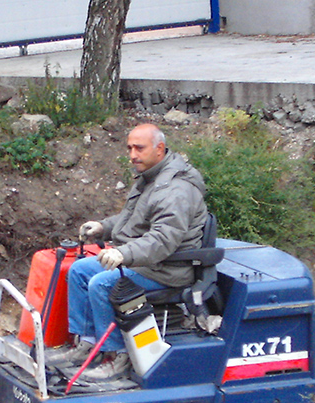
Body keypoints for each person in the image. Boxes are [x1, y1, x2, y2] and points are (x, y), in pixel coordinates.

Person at [57, 123, 208, 380]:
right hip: (146, 261)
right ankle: (88, 343)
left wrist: (124, 254)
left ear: (159, 149)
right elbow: (133, 220)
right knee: (79, 271)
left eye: (139, 148)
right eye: (129, 148)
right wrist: (104, 227)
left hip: (167, 268)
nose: (132, 155)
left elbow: (163, 239)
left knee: (102, 283)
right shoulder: (150, 178)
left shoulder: (176, 189)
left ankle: (117, 356)